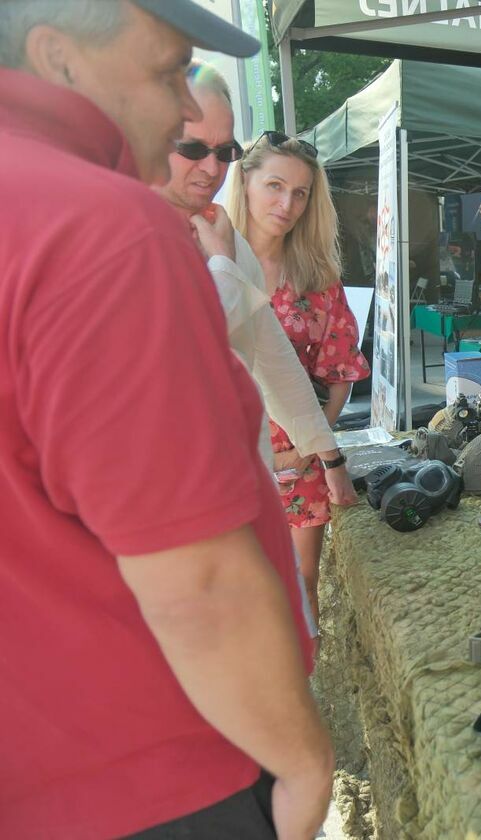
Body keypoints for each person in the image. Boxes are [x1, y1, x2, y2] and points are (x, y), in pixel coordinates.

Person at [0, 2, 333, 838]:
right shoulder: (105, 226)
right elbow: (199, 585)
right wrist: (301, 764)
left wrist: (325, 448)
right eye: (166, 72)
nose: (186, 112)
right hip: (162, 768)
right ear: (59, 58)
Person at [155, 60, 356, 504]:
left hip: (233, 492)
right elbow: (175, 361)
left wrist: (331, 460)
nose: (211, 168)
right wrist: (224, 267)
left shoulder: (221, 234)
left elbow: (274, 359)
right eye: (192, 148)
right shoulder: (117, 229)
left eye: (224, 152)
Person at [227, 130, 371, 627]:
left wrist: (310, 450)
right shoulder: (209, 258)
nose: (286, 203)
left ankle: (302, 687)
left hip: (299, 460)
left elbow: (339, 371)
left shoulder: (316, 275)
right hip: (224, 460)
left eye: (300, 192)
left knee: (300, 583)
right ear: (244, 182)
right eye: (274, 185)